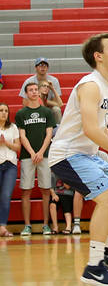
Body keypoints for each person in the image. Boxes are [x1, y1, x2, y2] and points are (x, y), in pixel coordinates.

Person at [48, 33, 108, 286]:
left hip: (90, 153)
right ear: (98, 56)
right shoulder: (90, 85)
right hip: (67, 154)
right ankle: (93, 267)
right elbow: (91, 129)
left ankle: (107, 255)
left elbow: (100, 131)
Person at [16, 81, 56, 236]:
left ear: (39, 93)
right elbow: (22, 135)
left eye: (35, 90)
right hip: (28, 157)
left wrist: (40, 152)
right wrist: (33, 153)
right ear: (26, 93)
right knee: (26, 191)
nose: (33, 92)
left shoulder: (47, 112)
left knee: (46, 190)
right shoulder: (21, 114)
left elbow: (49, 134)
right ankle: (27, 226)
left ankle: (46, 225)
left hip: (44, 156)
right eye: (30, 90)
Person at [0, 104, 18, 237]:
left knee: (6, 196)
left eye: (6, 110)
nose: (4, 113)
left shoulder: (13, 127)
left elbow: (18, 147)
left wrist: (6, 142)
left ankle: (3, 227)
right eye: (1, 110)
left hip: (10, 164)